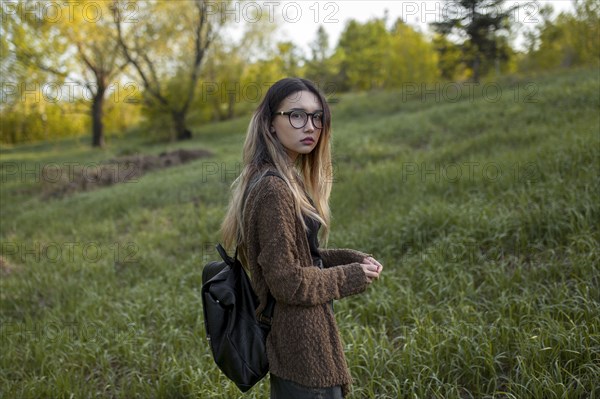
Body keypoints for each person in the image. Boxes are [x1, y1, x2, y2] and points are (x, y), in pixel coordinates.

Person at [220, 77, 383, 398]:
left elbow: (300, 257)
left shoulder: (281, 179)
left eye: (317, 116)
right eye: (296, 115)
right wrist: (350, 276)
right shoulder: (273, 189)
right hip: (303, 352)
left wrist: (352, 259)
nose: (309, 126)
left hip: (304, 344)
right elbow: (288, 281)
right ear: (270, 123)